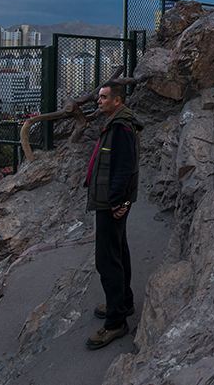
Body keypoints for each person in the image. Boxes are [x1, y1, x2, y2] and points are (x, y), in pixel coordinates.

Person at [85, 81, 142, 350]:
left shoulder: (120, 128)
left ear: (117, 101)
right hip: (111, 201)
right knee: (119, 250)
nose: (99, 101)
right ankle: (123, 302)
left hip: (110, 203)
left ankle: (115, 323)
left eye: (104, 97)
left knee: (106, 260)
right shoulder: (116, 123)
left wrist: (119, 201)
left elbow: (125, 168)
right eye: (99, 97)